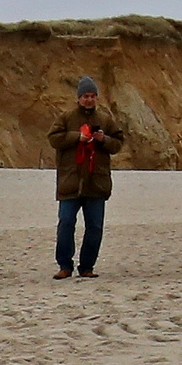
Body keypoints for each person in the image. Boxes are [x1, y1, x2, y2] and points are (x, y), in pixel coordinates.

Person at [47, 76, 125, 279]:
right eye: (85, 96)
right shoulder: (66, 118)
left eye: (92, 96)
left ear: (97, 98)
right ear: (78, 98)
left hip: (96, 183)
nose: (89, 100)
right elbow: (53, 139)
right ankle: (65, 265)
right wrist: (76, 137)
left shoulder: (106, 119)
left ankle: (87, 267)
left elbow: (118, 143)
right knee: (65, 223)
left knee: (95, 227)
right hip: (70, 182)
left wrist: (103, 140)